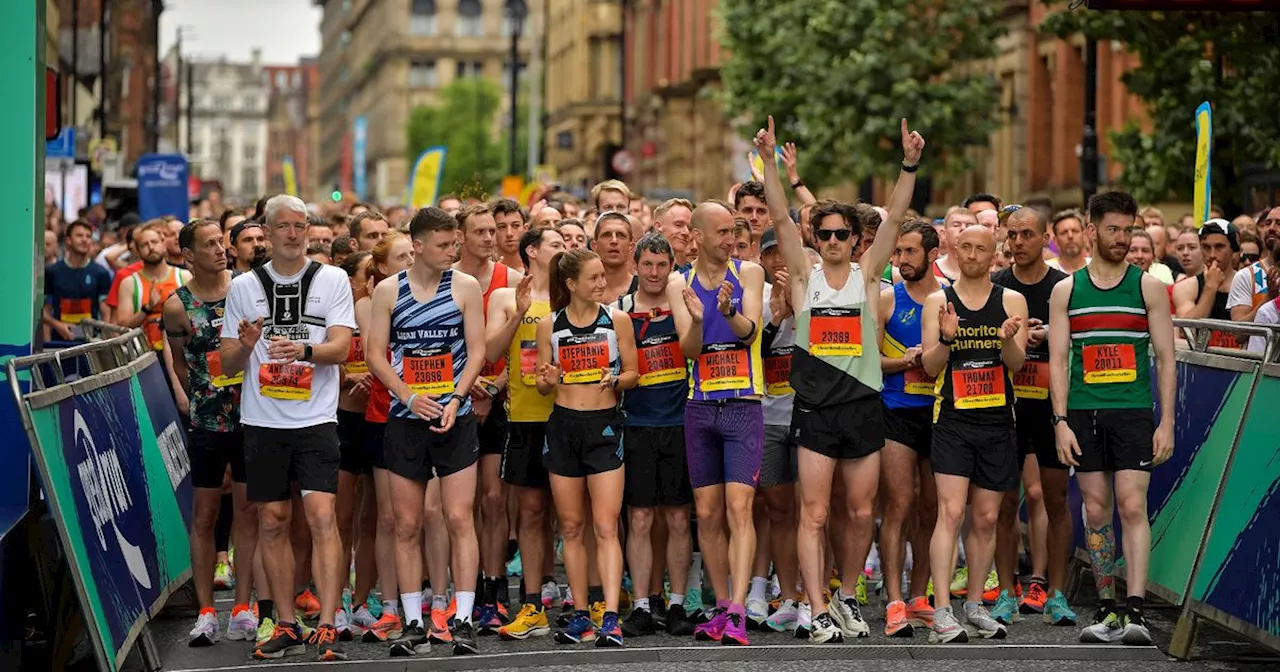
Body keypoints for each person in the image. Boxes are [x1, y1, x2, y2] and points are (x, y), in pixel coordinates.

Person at [756, 117, 922, 643]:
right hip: (815, 408)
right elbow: (780, 216)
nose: (831, 240)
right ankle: (818, 606)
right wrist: (768, 165)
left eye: (840, 234)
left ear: (856, 240)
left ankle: (847, 594)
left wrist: (909, 163)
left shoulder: (869, 275)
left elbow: (896, 216)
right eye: (823, 233)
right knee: (815, 511)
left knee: (860, 511)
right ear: (815, 238)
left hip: (862, 405)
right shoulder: (803, 277)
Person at [220, 194, 357, 662]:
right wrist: (247, 344)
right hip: (262, 422)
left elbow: (340, 348)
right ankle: (282, 622)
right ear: (268, 230)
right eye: (284, 226)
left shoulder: (332, 278)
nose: (294, 234)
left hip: (316, 419)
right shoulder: (243, 287)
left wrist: (303, 353)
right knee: (272, 521)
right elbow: (229, 360)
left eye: (300, 225)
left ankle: (328, 623)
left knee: (321, 517)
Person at [1048, 191, 1175, 647]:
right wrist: (1060, 420)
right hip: (1083, 413)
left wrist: (1167, 422)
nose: (1122, 239)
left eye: (1128, 230)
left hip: (1133, 412)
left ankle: (1135, 611)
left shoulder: (1148, 287)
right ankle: (1106, 610)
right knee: (1097, 509)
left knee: (1132, 505)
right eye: (1112, 230)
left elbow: (1165, 357)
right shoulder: (1066, 291)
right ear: (1091, 230)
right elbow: (1059, 360)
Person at [365, 206, 487, 656]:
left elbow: (476, 352)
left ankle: (461, 617)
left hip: (455, 415)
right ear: (417, 246)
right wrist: (409, 397)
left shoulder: (465, 286)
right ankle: (413, 620)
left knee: (458, 517)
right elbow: (376, 354)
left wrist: (456, 399)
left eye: (454, 243)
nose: (452, 250)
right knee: (406, 523)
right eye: (443, 245)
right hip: (405, 418)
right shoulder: (387, 291)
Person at [664, 192, 766, 646]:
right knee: (706, 513)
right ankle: (722, 606)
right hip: (700, 405)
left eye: (735, 232)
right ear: (698, 237)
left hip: (744, 403)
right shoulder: (678, 282)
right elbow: (687, 351)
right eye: (723, 232)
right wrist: (702, 319)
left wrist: (728, 311)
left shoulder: (750, 273)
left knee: (739, 508)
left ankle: (741, 609)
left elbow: (751, 333)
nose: (732, 239)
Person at [920, 224, 1028, 644]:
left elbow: (1017, 365)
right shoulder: (938, 300)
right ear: (953, 249)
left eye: (980, 248)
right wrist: (947, 337)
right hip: (952, 420)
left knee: (986, 518)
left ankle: (975, 605)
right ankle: (942, 610)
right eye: (964, 246)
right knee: (950, 513)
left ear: (994, 254)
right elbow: (930, 366)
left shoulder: (1011, 300)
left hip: (998, 420)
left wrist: (1006, 341)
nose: (971, 254)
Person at [164, 219, 265, 646]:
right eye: (208, 245)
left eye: (221, 243)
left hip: (253, 415)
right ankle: (206, 611)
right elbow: (180, 361)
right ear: (188, 255)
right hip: (208, 421)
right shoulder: (177, 305)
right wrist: (199, 398)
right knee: (204, 515)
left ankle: (243, 606)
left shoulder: (246, 287)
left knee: (247, 512)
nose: (220, 250)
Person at [535, 248, 638, 647]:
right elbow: (543, 384)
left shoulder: (618, 320)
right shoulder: (550, 325)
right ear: (571, 284)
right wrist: (548, 377)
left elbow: (633, 373)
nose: (602, 284)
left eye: (602, 277)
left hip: (604, 426)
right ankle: (580, 613)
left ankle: (610, 615)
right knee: (572, 527)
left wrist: (616, 380)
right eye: (593, 278)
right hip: (563, 426)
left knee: (605, 525)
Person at [991, 207, 1075, 626]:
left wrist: (1052, 335)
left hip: (1050, 406)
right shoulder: (997, 286)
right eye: (1012, 235)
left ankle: (1056, 593)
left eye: (1027, 234)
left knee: (1056, 500)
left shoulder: (1064, 286)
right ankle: (1007, 591)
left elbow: (1078, 340)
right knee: (1005, 503)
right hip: (1005, 407)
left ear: (1046, 239)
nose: (1018, 242)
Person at [617, 233, 697, 638]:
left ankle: (679, 603)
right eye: (646, 264)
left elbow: (694, 350)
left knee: (679, 518)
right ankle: (643, 605)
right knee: (640, 518)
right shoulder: (620, 311)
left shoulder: (682, 306)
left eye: (661, 265)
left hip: (679, 424)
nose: (653, 273)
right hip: (636, 426)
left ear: (672, 267)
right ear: (635, 266)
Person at [490, 227, 567, 640]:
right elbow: (488, 352)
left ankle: (589, 601)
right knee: (533, 515)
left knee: (575, 519)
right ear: (532, 251)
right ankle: (533, 606)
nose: (564, 249)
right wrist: (519, 314)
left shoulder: (574, 295)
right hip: (524, 418)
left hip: (571, 417)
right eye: (555, 244)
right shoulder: (506, 296)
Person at [451, 203, 524, 632]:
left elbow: (522, 352)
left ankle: (494, 589)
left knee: (494, 499)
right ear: (461, 236)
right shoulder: (447, 282)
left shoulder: (511, 282)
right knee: (461, 504)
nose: (489, 237)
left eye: (491, 231)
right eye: (480, 230)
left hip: (496, 400)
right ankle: (467, 587)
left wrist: (492, 391)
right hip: (452, 399)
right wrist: (462, 391)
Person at [876, 220, 943, 638]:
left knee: (931, 509)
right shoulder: (888, 298)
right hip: (896, 410)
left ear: (932, 255)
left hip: (938, 414)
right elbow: (869, 358)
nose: (901, 261)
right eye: (898, 253)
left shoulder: (947, 298)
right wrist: (905, 362)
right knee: (899, 504)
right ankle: (894, 599)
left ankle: (919, 596)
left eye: (909, 253)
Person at [750, 227, 802, 632]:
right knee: (779, 510)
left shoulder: (818, 294)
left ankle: (814, 594)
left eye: (785, 252)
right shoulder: (756, 301)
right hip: (768, 420)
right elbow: (752, 357)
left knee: (815, 512)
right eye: (771, 254)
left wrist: (797, 309)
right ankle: (787, 594)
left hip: (809, 418)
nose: (779, 261)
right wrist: (775, 319)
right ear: (761, 259)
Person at [117, 221, 191, 351]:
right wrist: (147, 309)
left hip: (183, 351)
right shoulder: (129, 283)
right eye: (144, 245)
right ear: (138, 252)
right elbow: (123, 327)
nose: (151, 247)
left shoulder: (184, 277)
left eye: (154, 242)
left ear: (163, 244)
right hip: (146, 356)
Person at [44, 219, 113, 342]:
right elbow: (44, 310)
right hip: (59, 343)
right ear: (68, 241)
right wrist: (57, 325)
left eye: (88, 236)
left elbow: (106, 313)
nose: (85, 239)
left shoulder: (100, 273)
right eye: (79, 235)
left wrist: (103, 339)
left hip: (91, 343)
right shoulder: (52, 272)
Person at [1228, 205, 1280, 322]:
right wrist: (1269, 297)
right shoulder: (1246, 276)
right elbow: (1239, 333)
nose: (1271, 228)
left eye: (1279, 223)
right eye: (1267, 223)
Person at [593, 212, 638, 304]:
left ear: (631, 246)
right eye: (607, 234)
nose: (614, 241)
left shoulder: (643, 289)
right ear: (595, 246)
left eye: (621, 235)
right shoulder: (582, 290)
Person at [493, 198, 528, 273]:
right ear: (493, 231)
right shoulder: (485, 273)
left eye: (515, 225)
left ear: (525, 229)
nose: (509, 233)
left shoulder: (538, 269)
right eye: (502, 227)